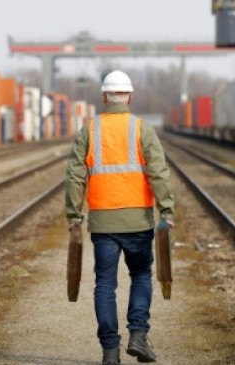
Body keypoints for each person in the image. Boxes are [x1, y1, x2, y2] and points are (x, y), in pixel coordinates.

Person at [65, 70, 175, 365]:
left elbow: (76, 176)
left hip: (103, 223)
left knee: (104, 284)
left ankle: (110, 352)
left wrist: (74, 216)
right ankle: (138, 336)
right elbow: (158, 172)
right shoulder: (142, 129)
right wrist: (167, 210)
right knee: (140, 275)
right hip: (139, 221)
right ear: (130, 97)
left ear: (104, 97)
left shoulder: (89, 130)